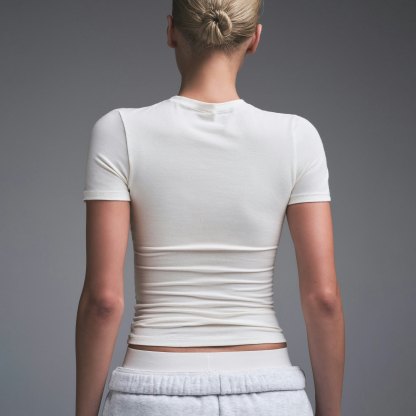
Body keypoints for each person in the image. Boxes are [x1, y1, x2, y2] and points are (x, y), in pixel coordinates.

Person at [75, 1, 345, 415]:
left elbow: (103, 301)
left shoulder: (120, 131)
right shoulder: (297, 136)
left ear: (171, 31)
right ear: (254, 38)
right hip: (270, 391)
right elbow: (323, 298)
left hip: (154, 388)